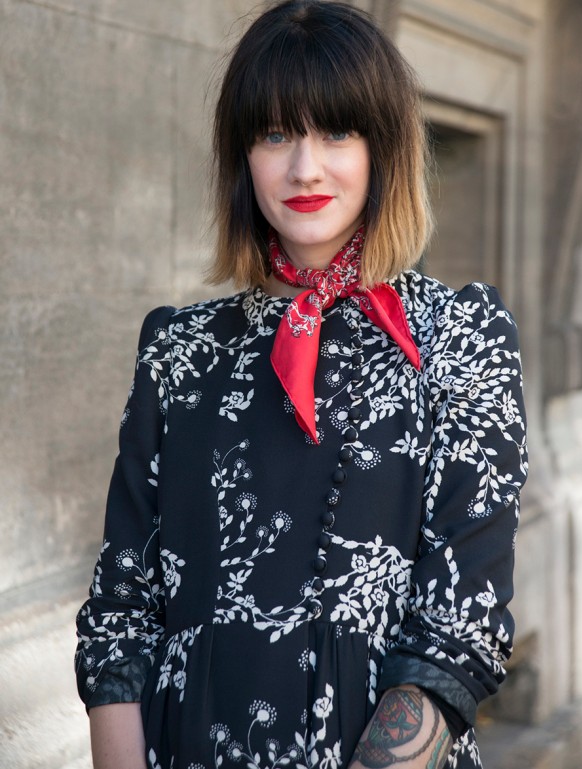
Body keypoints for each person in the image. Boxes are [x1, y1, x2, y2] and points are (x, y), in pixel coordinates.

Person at [75, 2, 528, 768]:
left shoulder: (460, 336)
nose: (304, 168)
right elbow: (120, 617)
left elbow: (459, 626)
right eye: (276, 133)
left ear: (383, 147)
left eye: (336, 132)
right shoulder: (177, 350)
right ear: (241, 157)